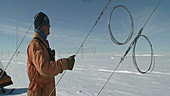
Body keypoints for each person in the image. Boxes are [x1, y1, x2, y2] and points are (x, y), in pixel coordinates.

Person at [27, 12, 75, 96]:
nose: (49, 26)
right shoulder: (35, 44)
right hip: (38, 92)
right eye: (47, 24)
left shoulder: (43, 43)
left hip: (46, 91)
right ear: (41, 26)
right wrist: (66, 63)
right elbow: (45, 69)